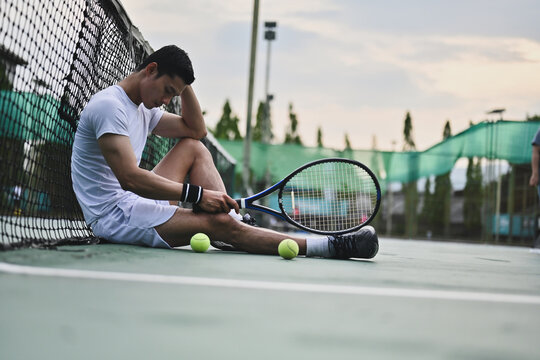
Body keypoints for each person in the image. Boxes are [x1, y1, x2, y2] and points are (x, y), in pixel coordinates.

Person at [70, 45, 378, 259]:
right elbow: (130, 179)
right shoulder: (111, 107)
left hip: (132, 203)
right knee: (222, 224)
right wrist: (198, 196)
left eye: (173, 95)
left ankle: (233, 222)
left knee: (193, 148)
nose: (166, 101)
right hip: (113, 216)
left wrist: (184, 83)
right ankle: (331, 246)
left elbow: (196, 131)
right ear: (150, 69)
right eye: (167, 91)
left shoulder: (142, 108)